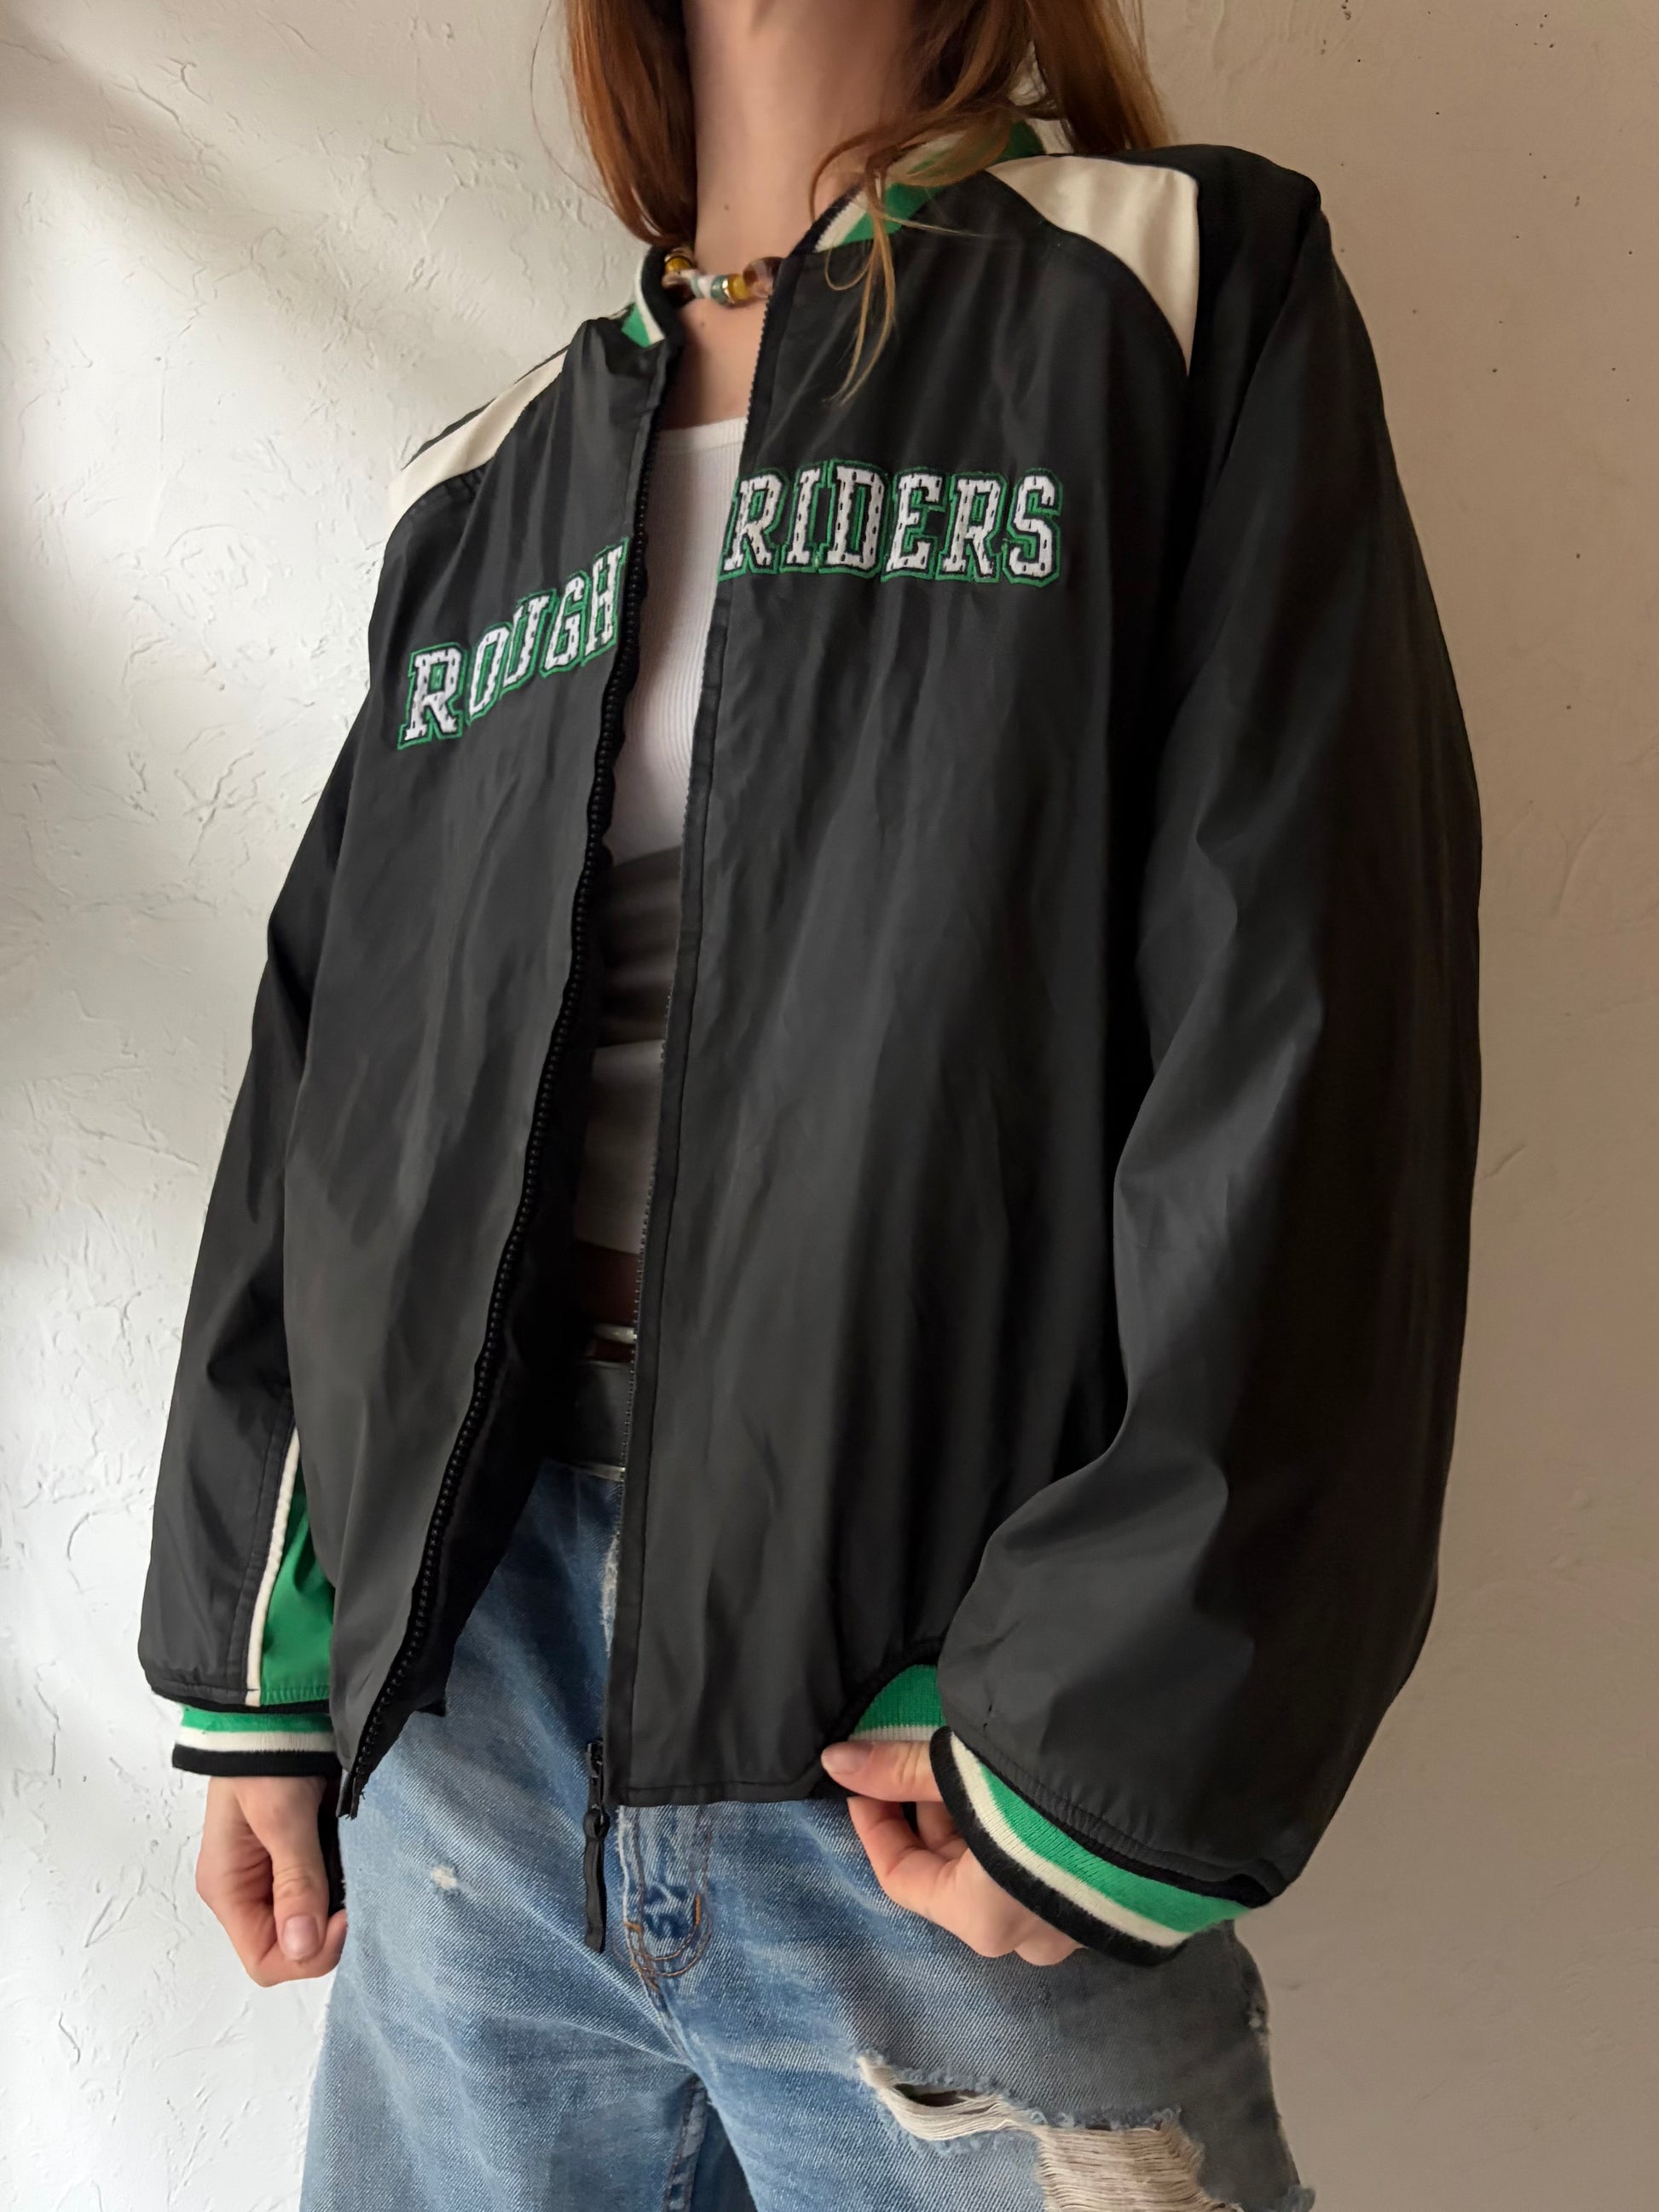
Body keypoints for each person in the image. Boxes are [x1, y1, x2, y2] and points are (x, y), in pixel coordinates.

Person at [138, 0, 1481, 2203]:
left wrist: (1102, 1727)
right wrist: (257, 1663)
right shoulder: (485, 485)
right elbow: (332, 1094)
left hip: (927, 1718)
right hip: (467, 1717)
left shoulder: (1173, 292)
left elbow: (1315, 1022)